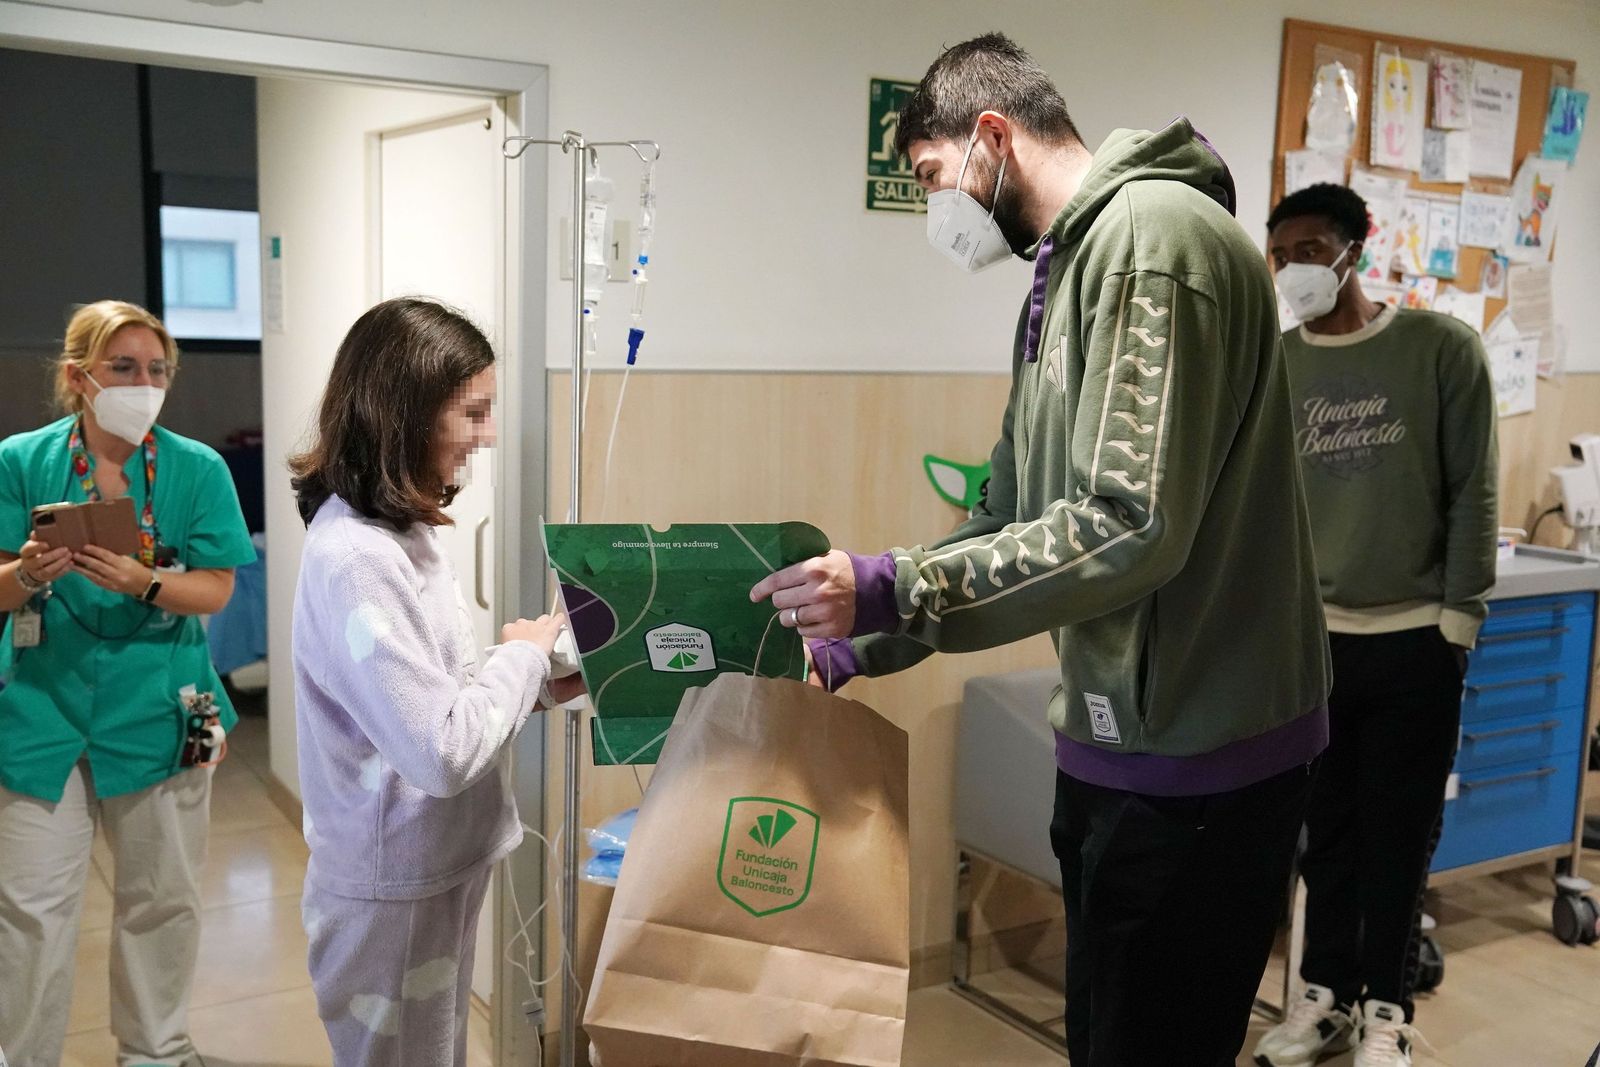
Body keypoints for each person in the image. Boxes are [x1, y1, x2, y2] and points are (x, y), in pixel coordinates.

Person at [752, 33, 1330, 1066]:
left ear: (990, 137)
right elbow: (1009, 511)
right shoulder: (1064, 274)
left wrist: (894, 588)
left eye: (933, 179)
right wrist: (854, 636)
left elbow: (1128, 523)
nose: (940, 212)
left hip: (1201, 758)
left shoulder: (1154, 240)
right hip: (1118, 744)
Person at [289, 298, 582, 1067]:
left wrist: (547, 676)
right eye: (474, 413)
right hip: (391, 886)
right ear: (407, 412)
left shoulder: (403, 532)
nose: (487, 436)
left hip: (433, 864)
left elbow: (434, 697)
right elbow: (441, 751)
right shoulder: (356, 558)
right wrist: (521, 657)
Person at [1253, 183, 1497, 1067]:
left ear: (1358, 248)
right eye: (1280, 256)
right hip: (1311, 642)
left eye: (1310, 251)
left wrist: (1459, 618)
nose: (1293, 271)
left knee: (1399, 838)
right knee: (1327, 839)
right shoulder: (1276, 362)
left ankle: (1386, 1011)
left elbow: (1474, 488)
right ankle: (1322, 998)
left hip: (1414, 638)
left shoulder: (1439, 349)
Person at [0, 300, 255, 1067]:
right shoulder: (20, 459)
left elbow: (215, 587)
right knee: (32, 910)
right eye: (124, 368)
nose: (144, 383)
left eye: (157, 369)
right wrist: (25, 572)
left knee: (162, 900)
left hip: (162, 708)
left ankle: (155, 1050)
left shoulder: (194, 468)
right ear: (79, 377)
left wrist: (146, 581)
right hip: (43, 711)